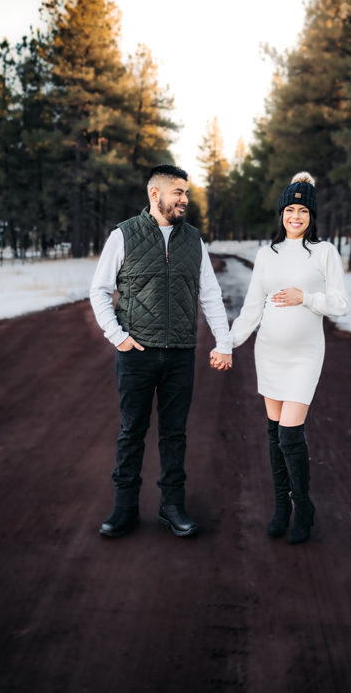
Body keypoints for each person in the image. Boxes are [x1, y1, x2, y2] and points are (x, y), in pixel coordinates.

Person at [90, 164, 232, 539]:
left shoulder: (194, 241)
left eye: (186, 192)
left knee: (174, 434)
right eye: (178, 192)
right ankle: (124, 509)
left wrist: (224, 341)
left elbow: (212, 296)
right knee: (132, 431)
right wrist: (117, 336)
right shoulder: (123, 235)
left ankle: (172, 508)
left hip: (181, 353)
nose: (185, 199)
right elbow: (99, 290)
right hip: (136, 352)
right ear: (156, 194)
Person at [229, 172, 351, 545]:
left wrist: (307, 298)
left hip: (304, 356)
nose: (295, 216)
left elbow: (342, 305)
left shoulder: (325, 252)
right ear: (281, 213)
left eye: (302, 210)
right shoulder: (267, 255)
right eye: (289, 209)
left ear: (311, 216)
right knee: (273, 434)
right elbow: (252, 308)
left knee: (289, 434)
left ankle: (303, 507)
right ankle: (281, 506)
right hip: (268, 352)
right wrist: (227, 343)